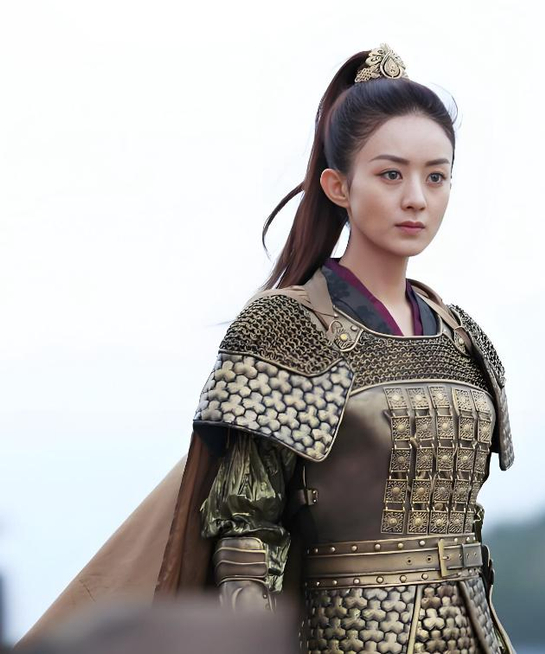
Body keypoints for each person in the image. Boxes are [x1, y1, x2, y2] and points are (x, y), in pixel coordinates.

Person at [16, 44, 517, 654]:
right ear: (338, 185)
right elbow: (245, 530)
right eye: (391, 174)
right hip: (347, 633)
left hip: (475, 632)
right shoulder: (285, 326)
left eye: (436, 176)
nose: (417, 197)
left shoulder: (463, 337)